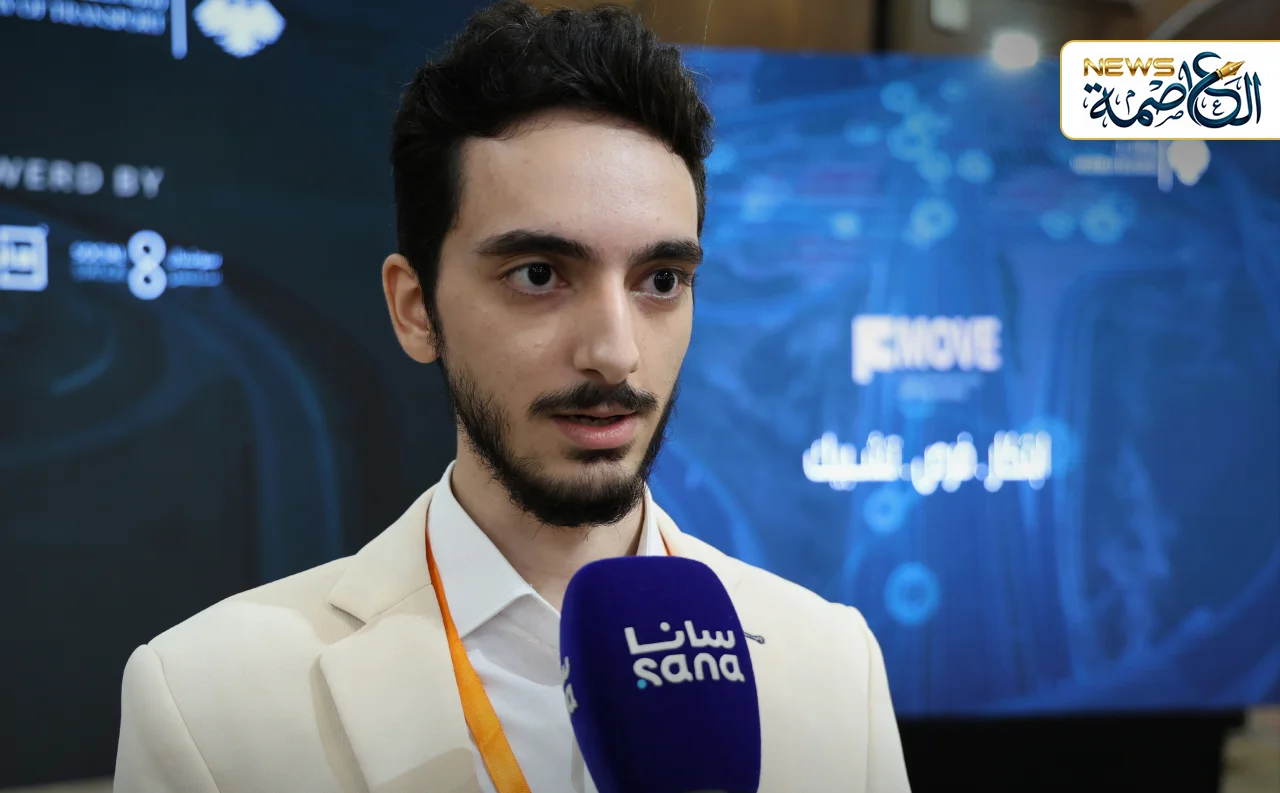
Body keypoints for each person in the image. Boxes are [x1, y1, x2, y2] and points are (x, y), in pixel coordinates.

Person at [113, 2, 911, 791]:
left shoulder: (835, 668)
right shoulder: (208, 705)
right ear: (415, 308)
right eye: (539, 274)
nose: (616, 352)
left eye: (662, 280)